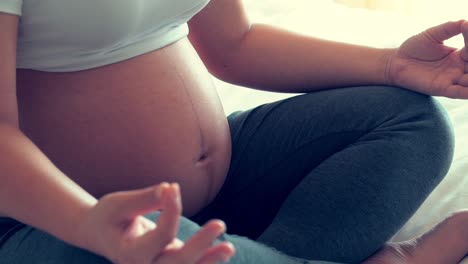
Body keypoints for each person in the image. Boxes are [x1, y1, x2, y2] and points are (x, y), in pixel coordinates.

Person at [0, 0, 468, 263]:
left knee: (407, 118)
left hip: (221, 184)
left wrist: (392, 64)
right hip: (60, 220)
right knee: (129, 249)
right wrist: (87, 224)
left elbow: (234, 44)